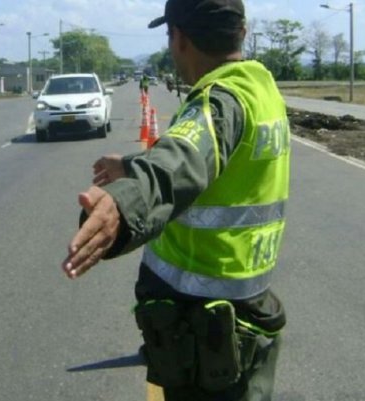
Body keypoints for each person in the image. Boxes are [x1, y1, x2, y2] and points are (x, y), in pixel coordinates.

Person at [62, 0, 290, 400]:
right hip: (249, 312)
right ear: (242, 33)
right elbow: (207, 159)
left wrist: (123, 204)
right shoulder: (261, 89)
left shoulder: (218, 102)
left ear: (179, 38)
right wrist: (134, 165)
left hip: (206, 331)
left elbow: (183, 158)